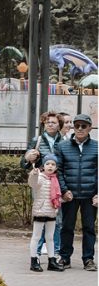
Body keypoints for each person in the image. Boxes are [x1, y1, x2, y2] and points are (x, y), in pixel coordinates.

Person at [56, 114, 97, 271]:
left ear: (89, 128)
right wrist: (64, 190)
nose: (80, 128)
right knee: (67, 227)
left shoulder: (96, 146)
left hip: (90, 196)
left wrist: (98, 194)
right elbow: (58, 171)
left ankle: (88, 259)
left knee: (89, 228)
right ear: (73, 127)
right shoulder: (63, 146)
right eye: (77, 125)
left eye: (83, 126)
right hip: (70, 195)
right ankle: (65, 258)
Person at [28, 158, 63, 272]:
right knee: (36, 236)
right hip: (40, 210)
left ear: (56, 168)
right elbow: (32, 184)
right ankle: (34, 261)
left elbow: (57, 196)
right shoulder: (40, 178)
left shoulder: (55, 180)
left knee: (50, 237)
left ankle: (51, 261)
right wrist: (33, 175)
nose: (50, 166)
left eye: (53, 164)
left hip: (52, 211)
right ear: (43, 166)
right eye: (48, 164)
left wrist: (63, 200)